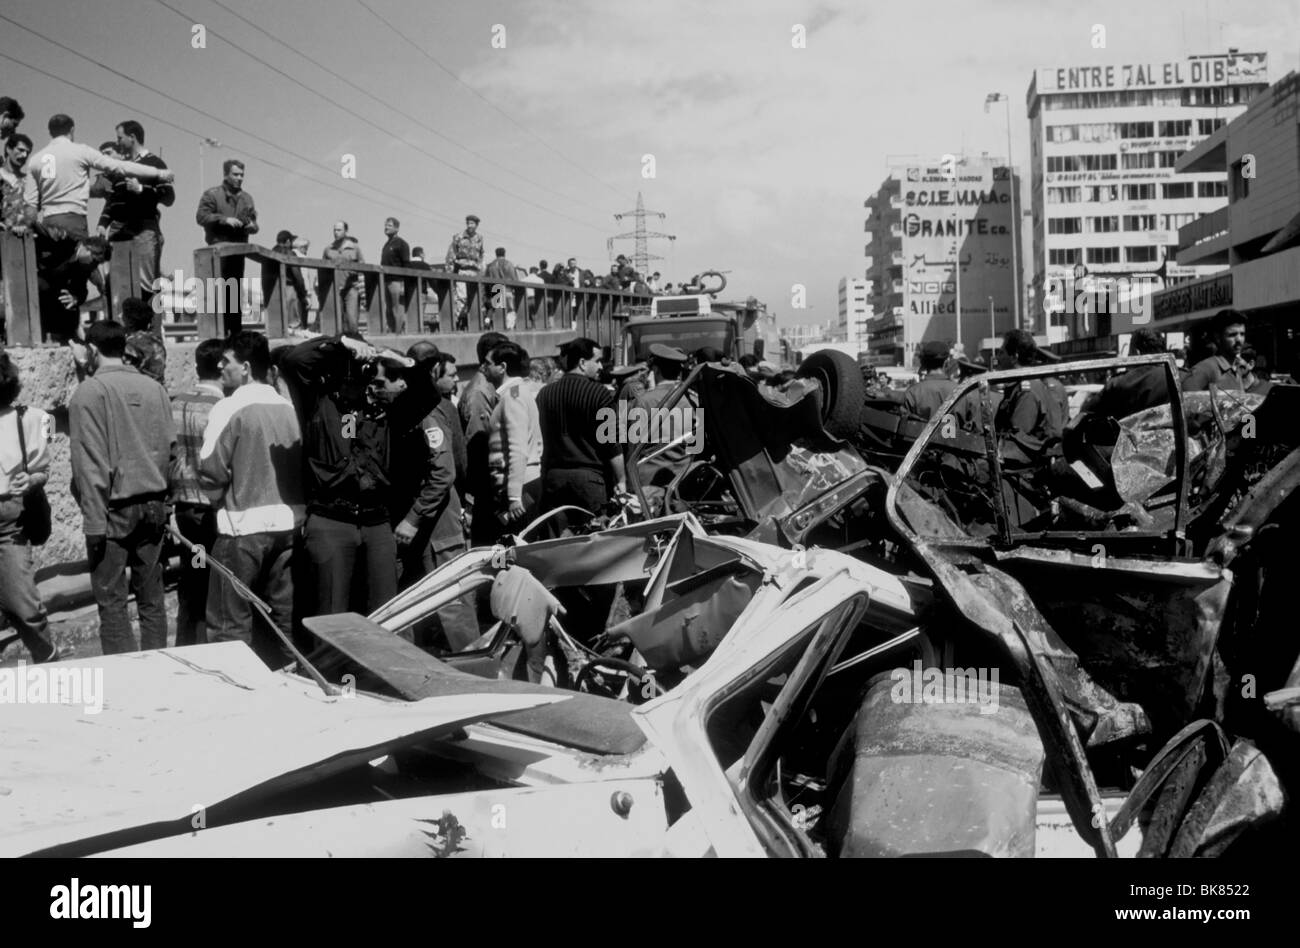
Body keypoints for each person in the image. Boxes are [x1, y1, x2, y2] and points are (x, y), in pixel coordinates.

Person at [278, 335, 436, 617]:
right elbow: (293, 361)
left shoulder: (387, 410)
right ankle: (330, 663)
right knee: (332, 612)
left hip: (377, 522)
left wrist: (397, 360)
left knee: (385, 612)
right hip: (331, 518)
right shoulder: (318, 402)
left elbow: (426, 394)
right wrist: (340, 343)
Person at [198, 331, 305, 667]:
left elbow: (211, 470)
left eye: (226, 361)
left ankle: (237, 694)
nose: (220, 366)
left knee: (231, 624)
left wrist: (218, 501)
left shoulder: (229, 407)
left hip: (242, 529)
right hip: (288, 528)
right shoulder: (290, 408)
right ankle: (292, 685)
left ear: (245, 367)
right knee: (282, 621)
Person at [69, 320, 175, 654]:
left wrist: (94, 523)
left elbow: (91, 466)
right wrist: (167, 506)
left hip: (112, 511)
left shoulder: (88, 393)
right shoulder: (153, 388)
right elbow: (171, 452)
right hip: (154, 506)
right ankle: (160, 669)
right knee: (152, 599)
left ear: (92, 350)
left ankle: (125, 681)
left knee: (113, 602)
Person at [23, 114, 174, 239]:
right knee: (81, 266)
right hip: (75, 220)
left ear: (50, 132)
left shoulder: (35, 160)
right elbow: (118, 167)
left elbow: (30, 205)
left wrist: (30, 228)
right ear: (72, 130)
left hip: (48, 220)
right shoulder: (81, 151)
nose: (117, 141)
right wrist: (158, 172)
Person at [391, 348, 467, 592]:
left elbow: (445, 470)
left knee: (449, 598)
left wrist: (414, 517)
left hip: (436, 520)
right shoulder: (403, 410)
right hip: (421, 517)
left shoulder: (428, 412)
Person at [0, 352, 58, 662]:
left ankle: (49, 662)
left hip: (10, 524)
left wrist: (32, 478)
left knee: (23, 605)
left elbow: (45, 470)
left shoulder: (33, 418)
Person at [169, 338, 225, 646]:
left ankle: (185, 641)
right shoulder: (223, 408)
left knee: (191, 578)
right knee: (209, 583)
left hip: (183, 507)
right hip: (210, 509)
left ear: (195, 367)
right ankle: (204, 643)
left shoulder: (176, 402)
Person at [536, 337, 626, 527]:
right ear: (583, 363)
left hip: (554, 480)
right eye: (598, 360)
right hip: (589, 482)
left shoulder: (545, 394)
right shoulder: (599, 393)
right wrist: (621, 479)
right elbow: (611, 443)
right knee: (594, 543)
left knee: (556, 544)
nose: (602, 366)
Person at [97, 120, 173, 304]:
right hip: (122, 232)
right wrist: (103, 223)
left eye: (120, 137)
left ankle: (149, 329)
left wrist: (141, 189)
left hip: (145, 230)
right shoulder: (122, 167)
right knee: (118, 284)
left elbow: (169, 197)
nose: (118, 142)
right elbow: (114, 199)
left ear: (132, 137)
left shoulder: (154, 163)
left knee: (146, 285)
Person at [484, 341, 543, 530]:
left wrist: (514, 496)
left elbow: (518, 449)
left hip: (519, 485)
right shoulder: (516, 392)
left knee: (517, 549)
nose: (482, 367)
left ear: (502, 367)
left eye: (487, 363)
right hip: (523, 482)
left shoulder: (512, 397)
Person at [196, 159, 258, 337]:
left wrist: (252, 226)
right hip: (217, 252)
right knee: (218, 293)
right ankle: (219, 334)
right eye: (235, 174)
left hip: (238, 251)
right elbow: (201, 217)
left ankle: (235, 334)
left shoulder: (247, 198)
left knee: (235, 294)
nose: (239, 178)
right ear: (226, 174)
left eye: (242, 175)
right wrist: (224, 219)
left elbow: (253, 221)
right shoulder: (212, 194)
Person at [461, 331, 508, 545]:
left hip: (492, 484)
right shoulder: (479, 393)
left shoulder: (493, 388)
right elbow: (479, 446)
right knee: (493, 546)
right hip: (487, 488)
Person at [994, 329, 1067, 465]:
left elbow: (1017, 439)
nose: (998, 358)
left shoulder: (1027, 391)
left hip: (1027, 472)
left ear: (1014, 357)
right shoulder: (1024, 386)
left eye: (1001, 352)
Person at [33, 225, 110, 343]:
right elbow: (40, 228)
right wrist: (21, 224)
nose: (94, 265)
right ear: (86, 248)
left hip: (55, 296)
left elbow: (82, 290)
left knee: (69, 309)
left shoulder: (85, 267)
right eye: (94, 260)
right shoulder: (66, 240)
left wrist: (75, 298)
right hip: (34, 281)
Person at [1082, 327, 1171, 419]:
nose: (1128, 357)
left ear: (1137, 353)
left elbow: (1085, 414)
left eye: (1129, 353)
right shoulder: (1181, 378)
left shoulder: (1118, 384)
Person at [1184, 309, 1247, 393]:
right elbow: (1185, 398)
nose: (1239, 339)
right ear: (1218, 337)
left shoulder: (1238, 368)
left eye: (1242, 334)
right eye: (1232, 335)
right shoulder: (1206, 369)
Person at [322, 221, 365, 333]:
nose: (336, 232)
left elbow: (363, 266)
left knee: (352, 320)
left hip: (351, 287)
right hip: (335, 288)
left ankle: (354, 343)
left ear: (346, 231)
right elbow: (323, 269)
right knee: (337, 320)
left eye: (339, 230)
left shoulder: (355, 248)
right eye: (334, 230)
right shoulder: (328, 249)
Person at [903, 340, 959, 422]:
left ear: (923, 363)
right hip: (955, 435)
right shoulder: (960, 390)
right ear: (946, 362)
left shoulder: (912, 392)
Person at [445, 214, 483, 330]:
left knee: (474, 299)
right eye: (468, 223)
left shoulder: (479, 238)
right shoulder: (459, 237)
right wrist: (450, 273)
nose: (470, 225)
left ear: (476, 225)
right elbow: (451, 255)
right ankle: (456, 323)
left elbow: (480, 254)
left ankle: (471, 325)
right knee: (462, 298)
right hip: (462, 269)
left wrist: (480, 267)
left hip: (474, 271)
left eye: (472, 223)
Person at [121, 296, 166, 385]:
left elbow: (125, 373)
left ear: (129, 321)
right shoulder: (157, 340)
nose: (120, 316)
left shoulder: (131, 343)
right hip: (159, 390)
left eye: (123, 314)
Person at [380, 216, 410, 333]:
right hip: (386, 281)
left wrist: (403, 284)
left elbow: (406, 265)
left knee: (397, 309)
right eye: (385, 225)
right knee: (388, 309)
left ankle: (398, 333)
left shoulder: (402, 244)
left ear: (397, 229)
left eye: (389, 226)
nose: (386, 228)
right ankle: (392, 332)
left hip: (397, 281)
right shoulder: (386, 245)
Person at [0, 132, 33, 233]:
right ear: (8, 149)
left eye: (27, 153)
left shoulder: (28, 181)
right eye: (21, 150)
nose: (24, 155)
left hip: (23, 238)